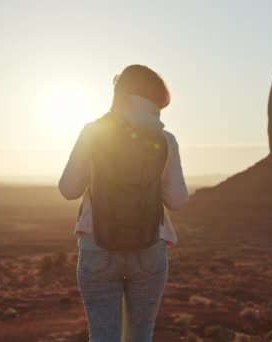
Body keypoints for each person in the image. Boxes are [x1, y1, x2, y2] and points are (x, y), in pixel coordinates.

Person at [58, 64, 189, 341]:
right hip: (150, 249)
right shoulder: (166, 140)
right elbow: (177, 200)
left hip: (97, 246)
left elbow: (69, 189)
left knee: (103, 336)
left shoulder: (93, 132)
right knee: (140, 336)